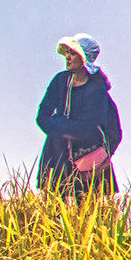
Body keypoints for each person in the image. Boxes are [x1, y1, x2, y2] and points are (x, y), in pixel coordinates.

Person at [35, 34, 122, 200]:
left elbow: (112, 131)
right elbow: (42, 117)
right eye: (67, 52)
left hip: (89, 166)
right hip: (56, 157)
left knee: (91, 214)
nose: (67, 57)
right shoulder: (60, 82)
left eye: (72, 53)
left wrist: (102, 158)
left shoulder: (98, 91)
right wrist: (66, 129)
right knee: (54, 210)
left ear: (84, 58)